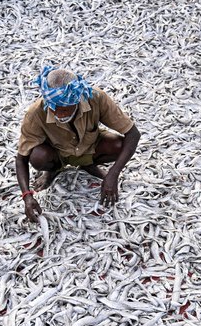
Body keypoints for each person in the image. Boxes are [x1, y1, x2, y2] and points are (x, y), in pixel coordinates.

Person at [15, 66, 141, 222]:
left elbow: (133, 134)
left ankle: (88, 164)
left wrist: (113, 174)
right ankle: (52, 171)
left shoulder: (96, 98)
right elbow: (21, 159)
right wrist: (27, 196)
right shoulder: (36, 113)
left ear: (77, 101)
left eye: (65, 109)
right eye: (55, 109)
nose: (60, 114)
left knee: (119, 146)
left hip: (89, 147)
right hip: (57, 153)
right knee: (38, 157)